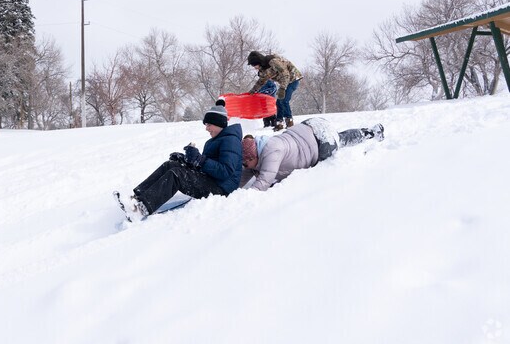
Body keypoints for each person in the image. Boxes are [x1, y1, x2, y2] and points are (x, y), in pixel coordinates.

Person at [120, 100, 243, 221]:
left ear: (218, 123)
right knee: (171, 165)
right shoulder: (216, 140)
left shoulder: (231, 141)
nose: (206, 128)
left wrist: (199, 160)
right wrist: (186, 160)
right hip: (212, 180)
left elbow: (225, 171)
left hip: (221, 189)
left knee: (177, 176)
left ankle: (141, 209)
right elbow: (206, 166)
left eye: (208, 125)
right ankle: (137, 197)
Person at [240, 117, 384, 191]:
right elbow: (244, 175)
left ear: (253, 156)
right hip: (309, 127)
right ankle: (370, 131)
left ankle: (371, 134)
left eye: (245, 163)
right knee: (341, 137)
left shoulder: (272, 150)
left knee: (341, 140)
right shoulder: (258, 150)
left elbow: (264, 181)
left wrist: (244, 200)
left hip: (320, 141)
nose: (244, 166)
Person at [247, 51, 303, 131]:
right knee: (279, 102)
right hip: (285, 82)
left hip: (293, 79)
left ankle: (289, 122)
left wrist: (282, 88)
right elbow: (261, 81)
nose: (254, 67)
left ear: (258, 62)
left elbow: (285, 74)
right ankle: (279, 123)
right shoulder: (263, 70)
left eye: (254, 65)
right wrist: (253, 91)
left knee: (284, 100)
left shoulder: (273, 61)